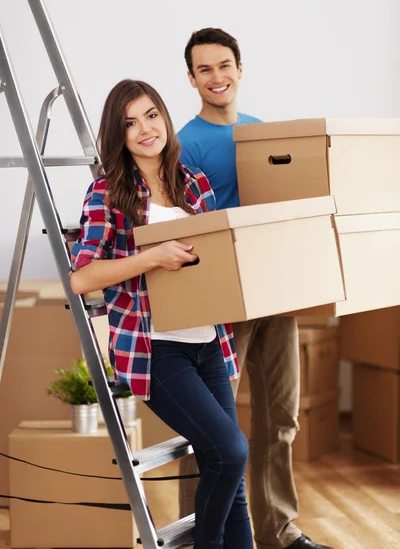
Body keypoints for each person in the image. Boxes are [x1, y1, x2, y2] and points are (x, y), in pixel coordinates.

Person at [69, 79, 254, 549]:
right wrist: (153, 256)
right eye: (130, 123)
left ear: (166, 118)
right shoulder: (107, 192)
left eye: (152, 115)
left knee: (231, 476)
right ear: (118, 134)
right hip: (156, 349)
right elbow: (82, 277)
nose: (145, 129)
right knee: (230, 452)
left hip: (208, 343)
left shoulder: (194, 183)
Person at [178, 28, 334, 549]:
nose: (216, 77)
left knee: (281, 416)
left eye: (224, 65)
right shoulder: (186, 143)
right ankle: (208, 532)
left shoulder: (262, 134)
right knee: (216, 427)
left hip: (277, 289)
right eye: (204, 69)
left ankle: (279, 529)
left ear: (240, 69)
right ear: (191, 78)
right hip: (224, 297)